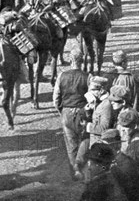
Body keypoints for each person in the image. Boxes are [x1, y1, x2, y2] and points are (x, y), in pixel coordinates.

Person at [53, 48, 88, 180]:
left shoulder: (62, 76)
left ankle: (74, 173)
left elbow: (56, 98)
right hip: (82, 113)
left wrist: (61, 111)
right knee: (84, 142)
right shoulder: (87, 76)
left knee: (71, 145)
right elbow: (91, 98)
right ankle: (84, 171)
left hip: (66, 113)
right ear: (82, 61)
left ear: (70, 60)